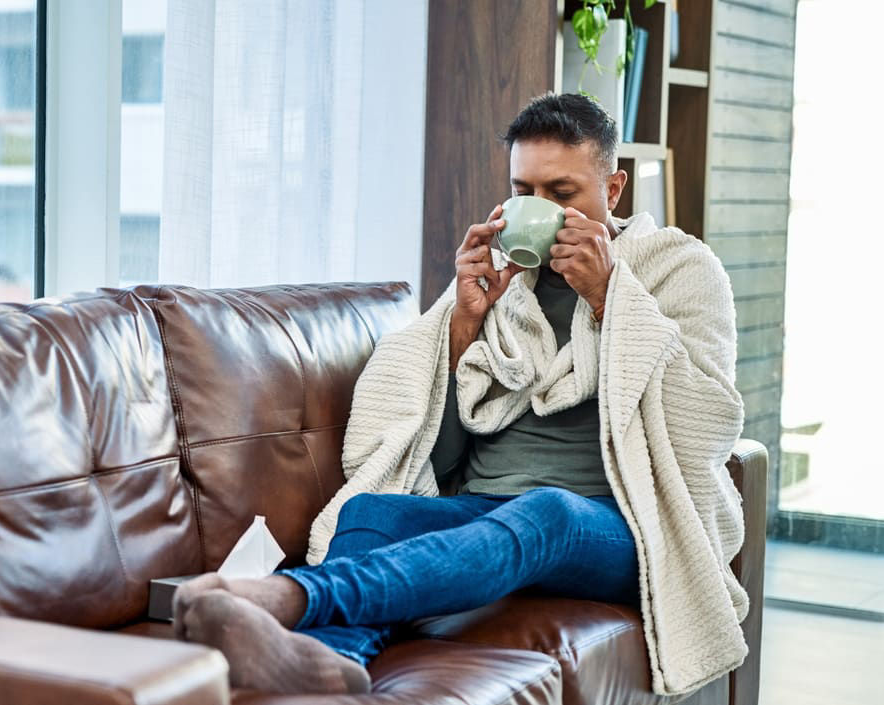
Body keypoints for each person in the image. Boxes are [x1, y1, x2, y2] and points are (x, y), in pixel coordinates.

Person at [171, 93, 748, 697]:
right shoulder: (499, 288)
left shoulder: (677, 271)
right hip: (485, 510)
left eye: (563, 193)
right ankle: (322, 666)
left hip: (617, 527)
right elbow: (436, 459)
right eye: (524, 192)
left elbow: (705, 426)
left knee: (546, 510)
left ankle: (287, 596)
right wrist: (462, 328)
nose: (540, 209)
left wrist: (610, 298)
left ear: (615, 188)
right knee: (370, 512)